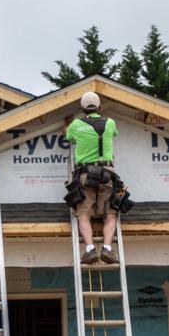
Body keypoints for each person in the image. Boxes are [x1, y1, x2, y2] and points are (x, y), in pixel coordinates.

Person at [66, 91, 120, 264]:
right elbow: (114, 133)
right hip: (106, 172)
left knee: (83, 214)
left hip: (85, 173)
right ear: (99, 107)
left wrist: (68, 124)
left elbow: (68, 137)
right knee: (110, 214)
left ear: (82, 108)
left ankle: (89, 249)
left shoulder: (76, 124)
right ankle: (107, 249)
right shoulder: (110, 123)